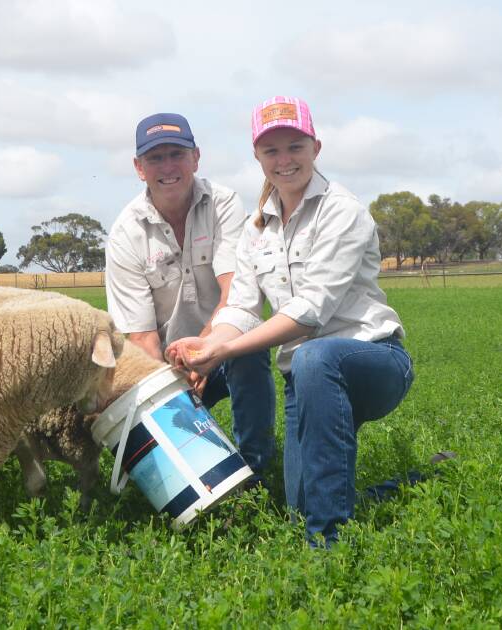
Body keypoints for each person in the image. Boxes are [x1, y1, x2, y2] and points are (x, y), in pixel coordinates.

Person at [165, 96, 413, 546]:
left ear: (315, 147)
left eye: (294, 146)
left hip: (373, 359)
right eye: (271, 150)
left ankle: (327, 546)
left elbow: (310, 311)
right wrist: (207, 346)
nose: (284, 160)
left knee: (315, 357)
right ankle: (404, 487)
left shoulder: (342, 210)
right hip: (307, 375)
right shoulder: (256, 229)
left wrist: (227, 350)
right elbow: (239, 307)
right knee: (303, 499)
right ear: (257, 156)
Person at [105, 112, 277, 478]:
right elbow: (141, 337)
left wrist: (205, 352)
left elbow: (235, 291)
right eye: (155, 157)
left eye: (177, 154)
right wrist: (172, 379)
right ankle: (195, 475)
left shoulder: (224, 204)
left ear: (195, 157)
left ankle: (257, 468)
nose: (168, 166)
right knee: (129, 393)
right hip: (166, 365)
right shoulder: (125, 234)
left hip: (222, 344)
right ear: (139, 167)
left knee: (251, 349)